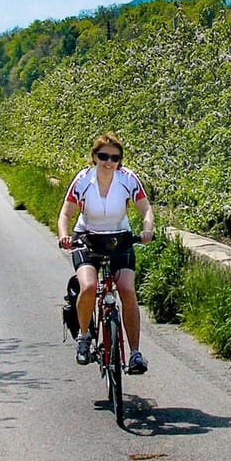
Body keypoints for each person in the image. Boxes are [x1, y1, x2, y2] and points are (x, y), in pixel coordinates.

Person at [57, 133, 155, 374]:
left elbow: (146, 209)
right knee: (88, 286)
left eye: (114, 157)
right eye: (103, 156)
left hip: (119, 238)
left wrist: (147, 229)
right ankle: (83, 336)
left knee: (127, 290)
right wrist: (64, 235)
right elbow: (66, 214)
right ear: (94, 157)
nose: (109, 162)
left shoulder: (128, 178)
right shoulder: (83, 180)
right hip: (87, 238)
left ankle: (134, 354)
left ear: (120, 160)